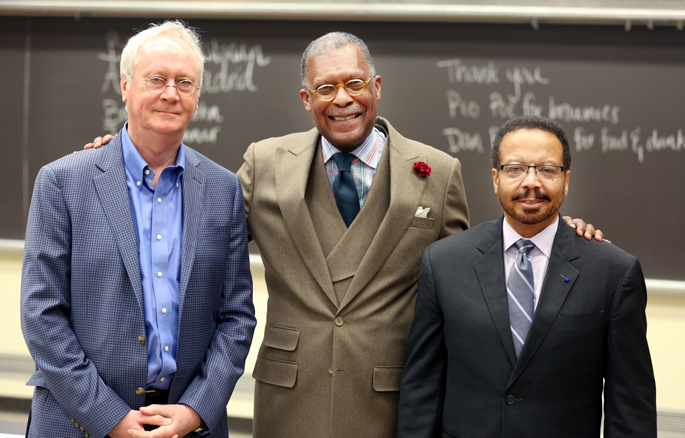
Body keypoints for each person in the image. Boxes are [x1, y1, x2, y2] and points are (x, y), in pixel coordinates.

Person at [87, 32, 601, 438]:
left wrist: (559, 237)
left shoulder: (436, 172)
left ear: (376, 87)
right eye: (325, 89)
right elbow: (193, 231)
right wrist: (131, 158)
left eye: (354, 84)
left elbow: (473, 278)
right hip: (289, 396)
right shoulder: (265, 162)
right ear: (306, 98)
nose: (342, 100)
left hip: (391, 399)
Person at [21, 21, 256, 438]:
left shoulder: (223, 190)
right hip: (79, 424)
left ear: (197, 97)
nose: (171, 93)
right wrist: (108, 416)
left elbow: (236, 317)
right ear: (126, 86)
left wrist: (195, 411)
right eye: (156, 79)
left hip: (186, 427)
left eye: (185, 82)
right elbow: (41, 315)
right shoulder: (62, 182)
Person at [398, 115, 656, 438]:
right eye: (515, 168)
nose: (531, 182)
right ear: (495, 179)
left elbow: (631, 407)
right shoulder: (443, 263)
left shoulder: (613, 273)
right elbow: (421, 388)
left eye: (547, 169)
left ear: (566, 180)